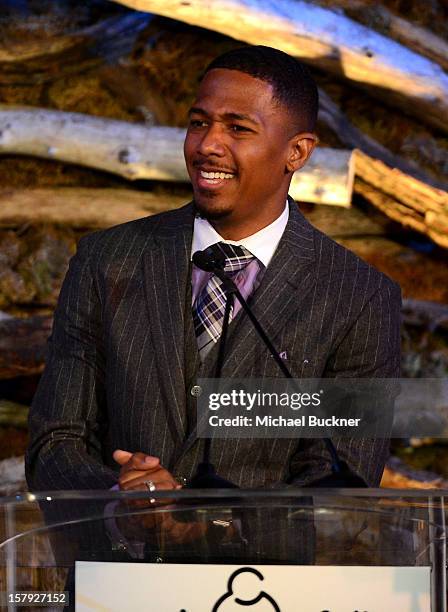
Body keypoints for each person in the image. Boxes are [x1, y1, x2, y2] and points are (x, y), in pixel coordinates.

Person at [26, 45, 401, 501]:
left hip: (258, 573)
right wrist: (127, 498)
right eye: (198, 122)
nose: (207, 146)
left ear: (297, 152)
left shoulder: (359, 297)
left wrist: (210, 524)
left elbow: (343, 482)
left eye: (237, 128)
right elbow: (55, 444)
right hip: (118, 564)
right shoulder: (107, 259)